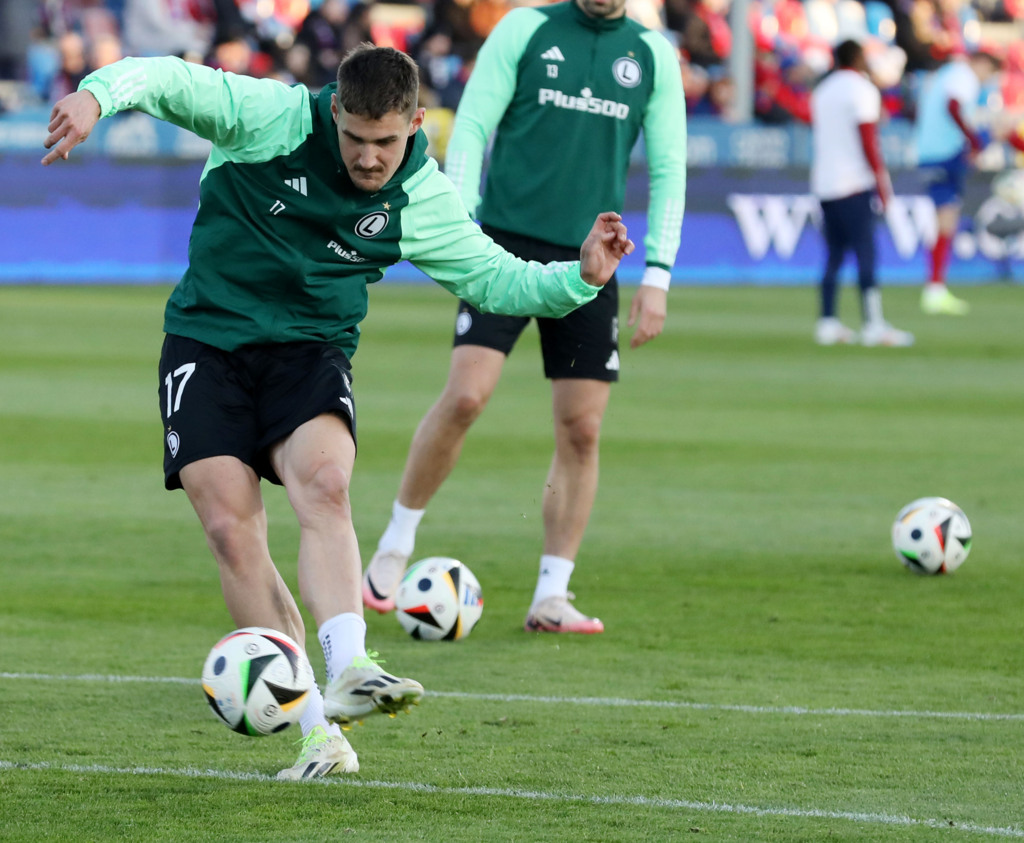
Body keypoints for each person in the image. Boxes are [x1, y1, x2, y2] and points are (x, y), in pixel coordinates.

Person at [41, 45, 634, 780]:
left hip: (310, 351)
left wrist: (579, 276)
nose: (368, 156)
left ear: (418, 123)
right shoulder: (272, 117)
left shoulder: (419, 189)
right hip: (207, 340)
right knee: (233, 528)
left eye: (386, 140)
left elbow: (493, 276)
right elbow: (165, 79)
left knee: (325, 483)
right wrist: (97, 96)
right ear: (333, 111)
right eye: (354, 137)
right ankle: (319, 733)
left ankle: (351, 663)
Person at [361, 0, 687, 636]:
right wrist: (460, 222)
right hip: (502, 246)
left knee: (581, 428)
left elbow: (669, 170)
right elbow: (472, 127)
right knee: (468, 396)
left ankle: (552, 593)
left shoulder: (653, 58)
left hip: (589, 262)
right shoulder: (523, 30)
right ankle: (394, 541)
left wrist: (657, 276)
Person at [809, 39, 913, 347]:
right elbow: (869, 139)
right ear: (859, 58)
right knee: (866, 252)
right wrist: (881, 182)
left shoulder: (822, 92)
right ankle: (873, 324)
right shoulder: (862, 90)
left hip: (825, 183)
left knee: (834, 255)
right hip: (853, 182)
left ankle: (827, 321)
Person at [914, 50, 1013, 316]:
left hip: (934, 153)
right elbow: (953, 106)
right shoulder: (963, 75)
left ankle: (935, 287)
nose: (986, 81)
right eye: (988, 74)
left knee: (945, 220)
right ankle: (934, 289)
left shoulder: (949, 74)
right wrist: (972, 140)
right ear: (981, 64)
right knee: (946, 219)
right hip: (943, 154)